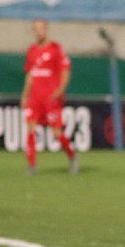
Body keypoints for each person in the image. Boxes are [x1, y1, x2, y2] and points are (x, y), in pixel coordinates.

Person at [21, 19, 77, 175]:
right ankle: (32, 165)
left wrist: (60, 91)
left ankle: (72, 157)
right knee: (31, 129)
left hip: (51, 98)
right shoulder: (32, 50)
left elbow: (66, 71)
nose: (38, 32)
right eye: (35, 29)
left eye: (41, 29)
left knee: (56, 133)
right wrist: (25, 95)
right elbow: (30, 75)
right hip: (34, 98)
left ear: (46, 30)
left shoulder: (56, 49)